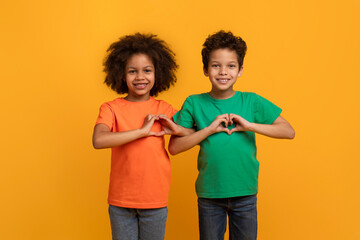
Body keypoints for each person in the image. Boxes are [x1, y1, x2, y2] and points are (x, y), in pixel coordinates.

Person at [169, 30, 295, 240]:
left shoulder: (251, 101)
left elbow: (288, 131)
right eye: (216, 65)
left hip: (245, 193)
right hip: (210, 195)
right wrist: (208, 129)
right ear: (205, 69)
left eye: (231, 66)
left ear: (240, 70)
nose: (223, 72)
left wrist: (250, 126)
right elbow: (174, 147)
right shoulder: (194, 102)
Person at [92, 33, 188, 240]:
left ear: (158, 73)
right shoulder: (111, 108)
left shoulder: (164, 108)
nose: (140, 77)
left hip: (155, 200)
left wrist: (177, 129)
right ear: (121, 75)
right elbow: (99, 140)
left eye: (147, 70)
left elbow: (189, 135)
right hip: (121, 201)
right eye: (132, 71)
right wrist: (142, 132)